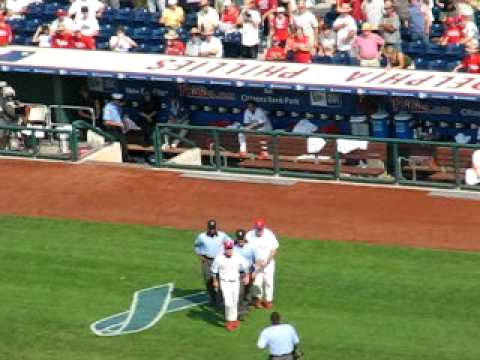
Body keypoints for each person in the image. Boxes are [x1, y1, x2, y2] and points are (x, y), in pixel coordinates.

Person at [211, 239, 249, 331]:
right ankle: (229, 321)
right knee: (228, 302)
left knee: (235, 301)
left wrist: (247, 276)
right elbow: (214, 270)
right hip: (224, 282)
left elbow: (246, 266)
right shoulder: (219, 257)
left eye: (230, 248)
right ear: (225, 248)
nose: (229, 250)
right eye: (227, 248)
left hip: (235, 281)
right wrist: (215, 281)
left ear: (233, 248)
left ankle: (234, 319)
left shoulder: (237, 256)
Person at [194, 219, 232, 306]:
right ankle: (213, 298)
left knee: (221, 280)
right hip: (207, 261)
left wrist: (227, 255)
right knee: (208, 280)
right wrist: (200, 255)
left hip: (220, 261)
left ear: (215, 228)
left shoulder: (222, 236)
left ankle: (221, 299)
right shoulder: (201, 236)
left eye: (213, 228)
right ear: (208, 228)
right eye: (210, 228)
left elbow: (230, 243)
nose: (212, 230)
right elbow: (197, 246)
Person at [246, 218, 279, 309]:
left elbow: (274, 249)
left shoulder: (269, 234)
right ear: (255, 227)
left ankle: (268, 300)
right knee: (257, 283)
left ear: (263, 228)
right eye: (257, 228)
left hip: (268, 264)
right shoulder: (249, 235)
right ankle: (257, 300)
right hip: (256, 264)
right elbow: (246, 250)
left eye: (260, 229)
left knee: (269, 282)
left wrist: (267, 261)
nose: (259, 231)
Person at [102, 93, 131, 162]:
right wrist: (119, 124)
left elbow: (119, 118)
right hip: (111, 129)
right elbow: (106, 122)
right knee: (114, 147)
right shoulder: (108, 107)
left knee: (124, 144)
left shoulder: (119, 107)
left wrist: (124, 122)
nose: (120, 102)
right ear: (114, 100)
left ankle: (125, 160)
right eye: (119, 100)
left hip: (119, 129)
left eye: (121, 100)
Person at [233, 228, 256, 316]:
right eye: (239, 239)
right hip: (237, 272)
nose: (240, 241)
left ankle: (246, 307)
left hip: (249, 270)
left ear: (244, 238)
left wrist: (254, 272)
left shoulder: (250, 247)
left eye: (242, 239)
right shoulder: (233, 247)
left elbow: (255, 259)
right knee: (240, 291)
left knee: (248, 290)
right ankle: (240, 310)